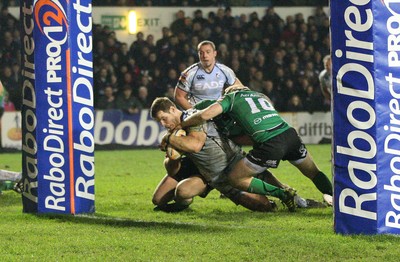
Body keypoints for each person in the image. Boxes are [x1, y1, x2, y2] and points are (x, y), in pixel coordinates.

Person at [179, 85, 333, 206]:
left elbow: (205, 115)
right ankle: (334, 198)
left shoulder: (231, 98)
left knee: (235, 178)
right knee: (313, 172)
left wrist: (183, 123)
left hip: (270, 142)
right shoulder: (260, 96)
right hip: (290, 134)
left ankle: (283, 194)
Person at [150, 97, 297, 212]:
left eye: (164, 118)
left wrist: (169, 139)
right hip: (210, 174)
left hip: (231, 163)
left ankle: (292, 197)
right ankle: (185, 202)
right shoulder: (173, 134)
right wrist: (172, 157)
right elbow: (172, 170)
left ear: (172, 109)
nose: (163, 124)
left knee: (264, 206)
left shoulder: (192, 116)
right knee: (163, 198)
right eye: (159, 121)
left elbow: (195, 145)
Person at [174, 40, 242, 110]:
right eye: (201, 53)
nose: (205, 56)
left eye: (208, 52)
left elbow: (240, 90)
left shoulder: (225, 71)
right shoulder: (189, 73)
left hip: (218, 112)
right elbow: (179, 97)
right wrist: (194, 113)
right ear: (198, 55)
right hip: (197, 112)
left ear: (214, 53)